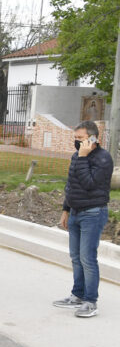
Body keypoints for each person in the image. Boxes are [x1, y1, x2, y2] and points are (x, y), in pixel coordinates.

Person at [54, 120, 114, 318]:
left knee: (88, 258)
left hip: (93, 213)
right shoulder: (77, 156)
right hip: (76, 212)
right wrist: (66, 210)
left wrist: (82, 157)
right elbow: (71, 185)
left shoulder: (104, 159)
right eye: (76, 138)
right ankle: (77, 295)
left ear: (93, 138)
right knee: (76, 257)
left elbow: (89, 183)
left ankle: (90, 301)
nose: (77, 142)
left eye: (80, 138)